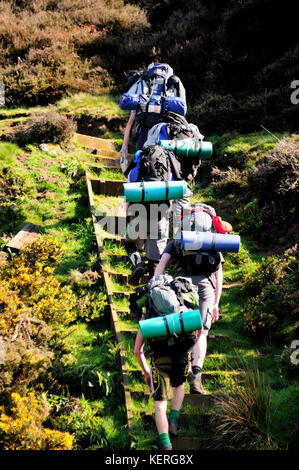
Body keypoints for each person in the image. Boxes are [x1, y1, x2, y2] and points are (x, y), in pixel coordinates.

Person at [153, 211, 232, 394]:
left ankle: (182, 370)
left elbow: (161, 266)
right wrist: (216, 303)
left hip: (181, 285)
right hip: (206, 286)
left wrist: (155, 291)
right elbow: (218, 275)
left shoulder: (179, 239)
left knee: (182, 329)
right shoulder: (212, 240)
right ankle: (196, 378)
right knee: (202, 332)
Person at [134, 314, 190, 450]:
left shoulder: (149, 312)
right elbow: (195, 332)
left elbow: (137, 351)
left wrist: (147, 372)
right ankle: (173, 420)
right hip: (180, 357)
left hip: (159, 360)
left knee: (160, 403)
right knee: (180, 385)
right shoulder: (181, 303)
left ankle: (165, 443)